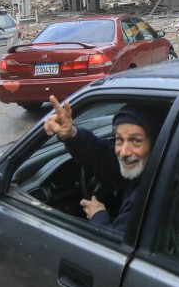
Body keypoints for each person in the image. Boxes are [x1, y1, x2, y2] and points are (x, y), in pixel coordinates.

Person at [43, 94, 164, 233]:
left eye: (136, 141)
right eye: (119, 139)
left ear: (156, 143)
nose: (124, 152)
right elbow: (102, 154)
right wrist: (71, 134)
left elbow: (118, 249)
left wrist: (98, 217)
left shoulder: (147, 196)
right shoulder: (150, 165)